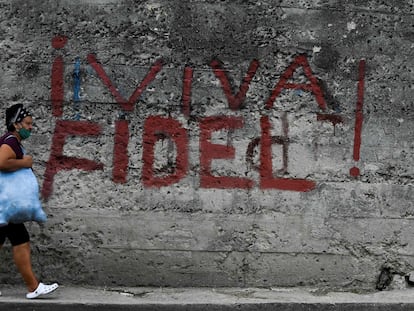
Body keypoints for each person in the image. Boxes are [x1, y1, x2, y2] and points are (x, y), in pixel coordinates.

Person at [0, 104, 58, 299]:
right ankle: (33, 287)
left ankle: (33, 286)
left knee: (15, 240)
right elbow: (2, 162)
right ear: (16, 124)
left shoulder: (11, 141)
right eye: (28, 123)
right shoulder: (10, 141)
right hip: (4, 205)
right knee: (21, 240)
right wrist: (25, 162)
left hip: (4, 204)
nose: (31, 127)